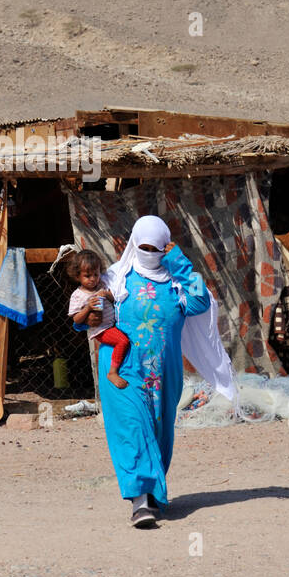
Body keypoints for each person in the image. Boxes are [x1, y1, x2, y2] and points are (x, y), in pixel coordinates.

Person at [88, 215, 213, 528]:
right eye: (142, 246)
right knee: (132, 427)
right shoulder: (115, 277)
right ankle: (140, 500)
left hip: (164, 372)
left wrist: (179, 261)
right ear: (133, 242)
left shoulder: (177, 280)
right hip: (122, 367)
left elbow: (201, 301)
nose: (147, 252)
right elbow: (89, 307)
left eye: (154, 248)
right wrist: (89, 316)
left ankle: (154, 494)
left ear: (164, 246)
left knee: (159, 431)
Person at [65, 249, 131, 389]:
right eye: (87, 276)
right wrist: (88, 308)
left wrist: (107, 295)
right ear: (78, 276)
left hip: (112, 325)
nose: (93, 279)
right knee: (123, 341)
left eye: (96, 274)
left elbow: (114, 299)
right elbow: (76, 319)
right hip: (101, 330)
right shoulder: (78, 295)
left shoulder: (102, 285)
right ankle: (112, 372)